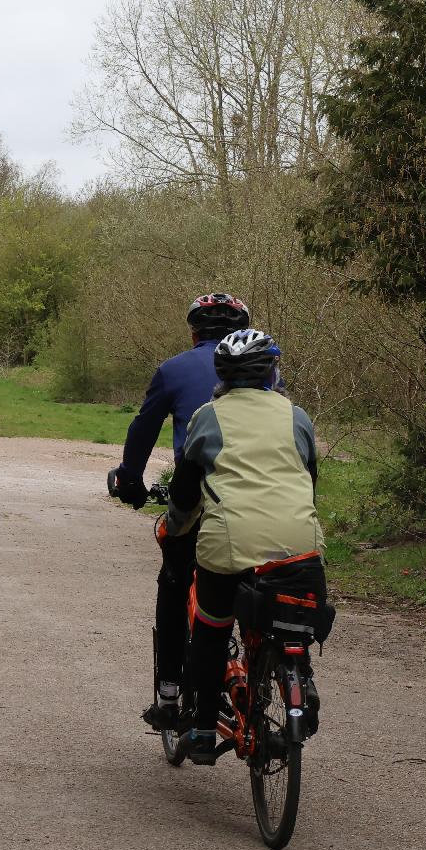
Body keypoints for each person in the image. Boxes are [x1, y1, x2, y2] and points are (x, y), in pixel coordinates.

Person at [162, 328, 323, 764]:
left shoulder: (208, 417)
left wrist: (174, 528)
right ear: (273, 371)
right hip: (298, 544)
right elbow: (309, 481)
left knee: (212, 628)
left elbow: (186, 490)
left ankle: (199, 729)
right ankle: (298, 675)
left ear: (223, 377)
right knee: (291, 616)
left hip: (229, 543)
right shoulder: (298, 416)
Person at [110, 292, 251, 730]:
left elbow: (143, 430)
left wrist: (130, 480)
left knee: (175, 582)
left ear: (193, 333)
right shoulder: (266, 370)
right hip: (263, 500)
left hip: (201, 500)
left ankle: (169, 694)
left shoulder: (172, 370)